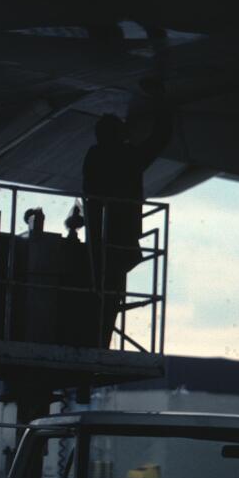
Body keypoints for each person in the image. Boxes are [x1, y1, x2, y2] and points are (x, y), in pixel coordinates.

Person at [82, 101, 172, 346]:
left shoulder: (94, 156)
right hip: (122, 235)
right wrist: (162, 103)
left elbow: (88, 192)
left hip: (98, 237)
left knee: (100, 291)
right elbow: (160, 138)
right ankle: (101, 342)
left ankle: (98, 341)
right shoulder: (129, 156)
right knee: (112, 293)